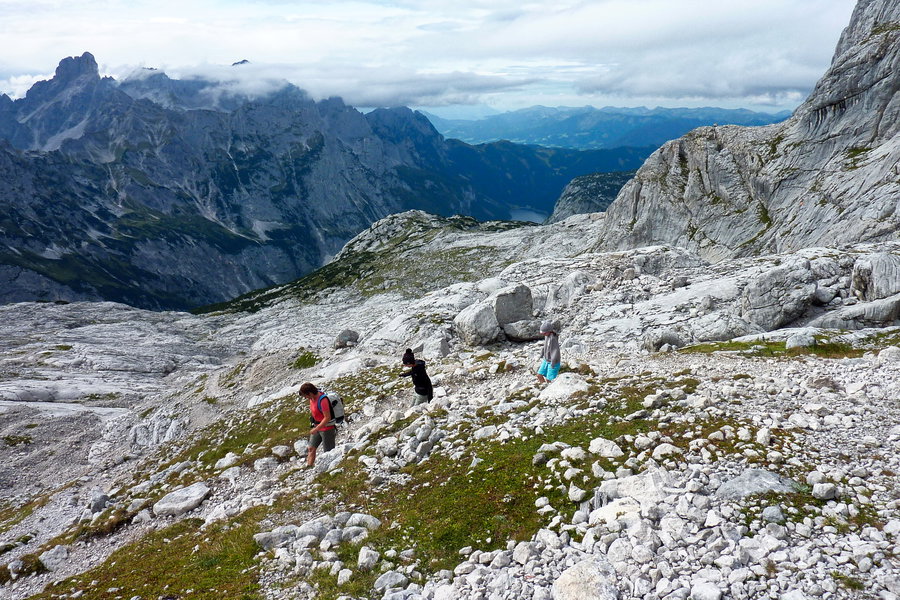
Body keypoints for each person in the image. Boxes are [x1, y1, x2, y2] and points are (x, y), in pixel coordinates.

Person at [300, 382, 336, 468]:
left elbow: (327, 417)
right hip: (317, 426)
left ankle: (330, 468)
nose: (305, 398)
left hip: (327, 428)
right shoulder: (311, 399)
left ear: (310, 393)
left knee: (328, 451)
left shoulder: (323, 400)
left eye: (306, 396)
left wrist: (317, 428)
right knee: (311, 448)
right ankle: (309, 467)